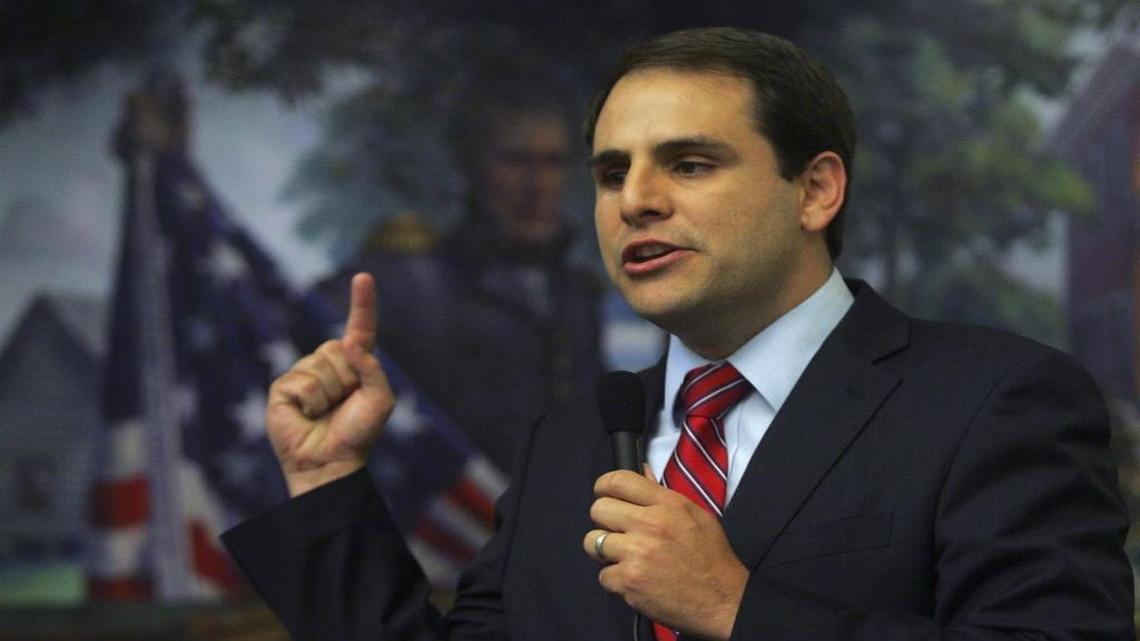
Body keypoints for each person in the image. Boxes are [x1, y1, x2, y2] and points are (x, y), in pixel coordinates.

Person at [222, 28, 1134, 640]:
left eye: (689, 163)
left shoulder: (993, 399)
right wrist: (326, 481)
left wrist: (737, 606)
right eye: (612, 171)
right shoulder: (569, 442)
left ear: (816, 189)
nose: (636, 200)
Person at [314, 69, 603, 473]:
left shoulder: (575, 294)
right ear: (472, 168)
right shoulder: (410, 282)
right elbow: (299, 321)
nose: (538, 185)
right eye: (515, 160)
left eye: (553, 162)